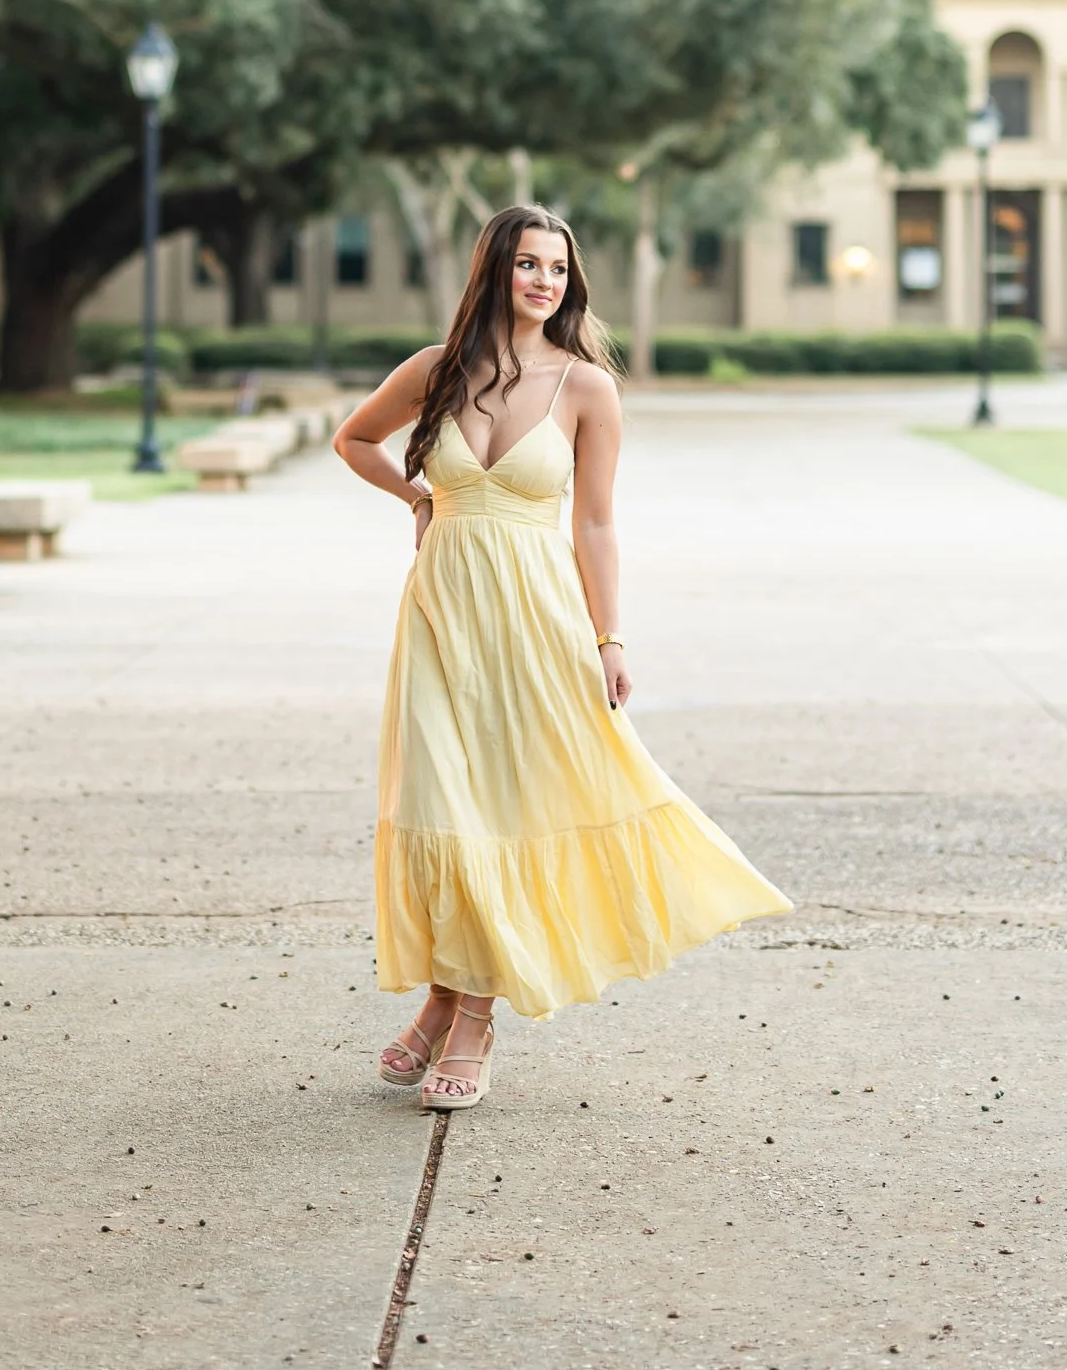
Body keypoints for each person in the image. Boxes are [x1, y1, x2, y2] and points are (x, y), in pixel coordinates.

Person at [332, 202, 788, 1111]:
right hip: (440, 617)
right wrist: (418, 500)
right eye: (527, 264)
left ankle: (468, 1020)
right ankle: (441, 1000)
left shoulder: (586, 388)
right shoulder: (434, 371)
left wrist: (610, 637)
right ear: (493, 271)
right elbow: (353, 439)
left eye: (557, 268)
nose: (545, 281)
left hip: (538, 623)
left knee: (502, 811)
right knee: (440, 806)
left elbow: (596, 521)